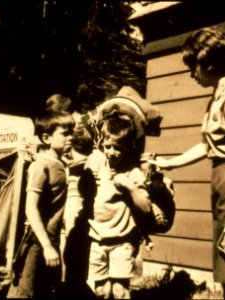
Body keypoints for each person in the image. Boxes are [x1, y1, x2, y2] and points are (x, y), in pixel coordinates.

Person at [148, 27, 225, 300]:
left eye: (194, 66)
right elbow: (209, 146)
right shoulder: (217, 96)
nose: (192, 73)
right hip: (224, 187)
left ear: (210, 63)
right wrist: (170, 164)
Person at [84, 111, 152, 299]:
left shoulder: (132, 173)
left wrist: (129, 186)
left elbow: (146, 208)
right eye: (108, 146)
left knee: (120, 291)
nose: (112, 152)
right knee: (101, 292)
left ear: (128, 147)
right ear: (101, 144)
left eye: (118, 148)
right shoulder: (97, 166)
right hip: (97, 239)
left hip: (122, 241)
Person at [7, 109, 74, 298]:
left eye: (72, 132)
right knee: (26, 293)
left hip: (51, 240)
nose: (70, 137)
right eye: (65, 134)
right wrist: (46, 246)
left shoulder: (60, 164)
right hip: (38, 242)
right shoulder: (41, 165)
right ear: (47, 138)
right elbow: (31, 208)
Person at [62, 118, 96, 298]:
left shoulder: (76, 169)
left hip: (75, 222)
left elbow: (72, 209)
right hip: (90, 225)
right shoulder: (94, 163)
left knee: (73, 268)